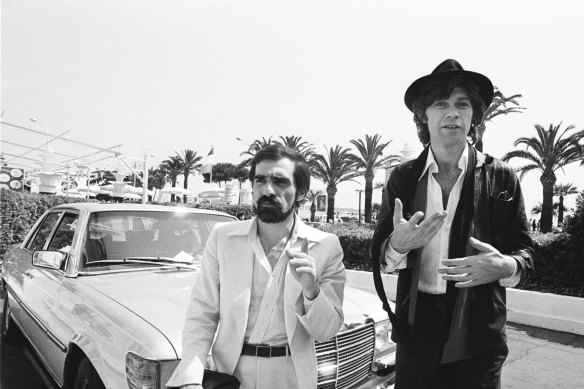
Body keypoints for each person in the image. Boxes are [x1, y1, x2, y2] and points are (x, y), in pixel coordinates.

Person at [370, 59, 534, 389]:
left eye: (462, 104)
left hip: (478, 334)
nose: (452, 113)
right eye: (440, 104)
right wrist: (398, 245)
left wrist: (505, 266)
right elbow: (381, 254)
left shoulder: (501, 177)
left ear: (474, 116)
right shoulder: (403, 178)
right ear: (423, 116)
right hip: (416, 329)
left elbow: (526, 253)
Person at [167, 144, 346, 389]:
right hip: (230, 375)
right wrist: (190, 377)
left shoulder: (325, 246)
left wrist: (311, 291)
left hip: (290, 377)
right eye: (260, 180)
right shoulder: (223, 238)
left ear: (301, 192)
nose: (267, 190)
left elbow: (326, 332)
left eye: (280, 182)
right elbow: (202, 313)